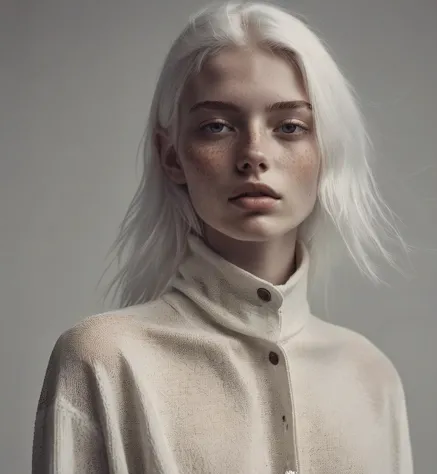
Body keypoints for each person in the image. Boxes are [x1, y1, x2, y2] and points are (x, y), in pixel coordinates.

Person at [32, 1, 414, 473]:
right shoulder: (103, 360)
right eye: (217, 126)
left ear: (326, 150)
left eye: (290, 127)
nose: (254, 153)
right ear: (171, 155)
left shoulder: (371, 376)